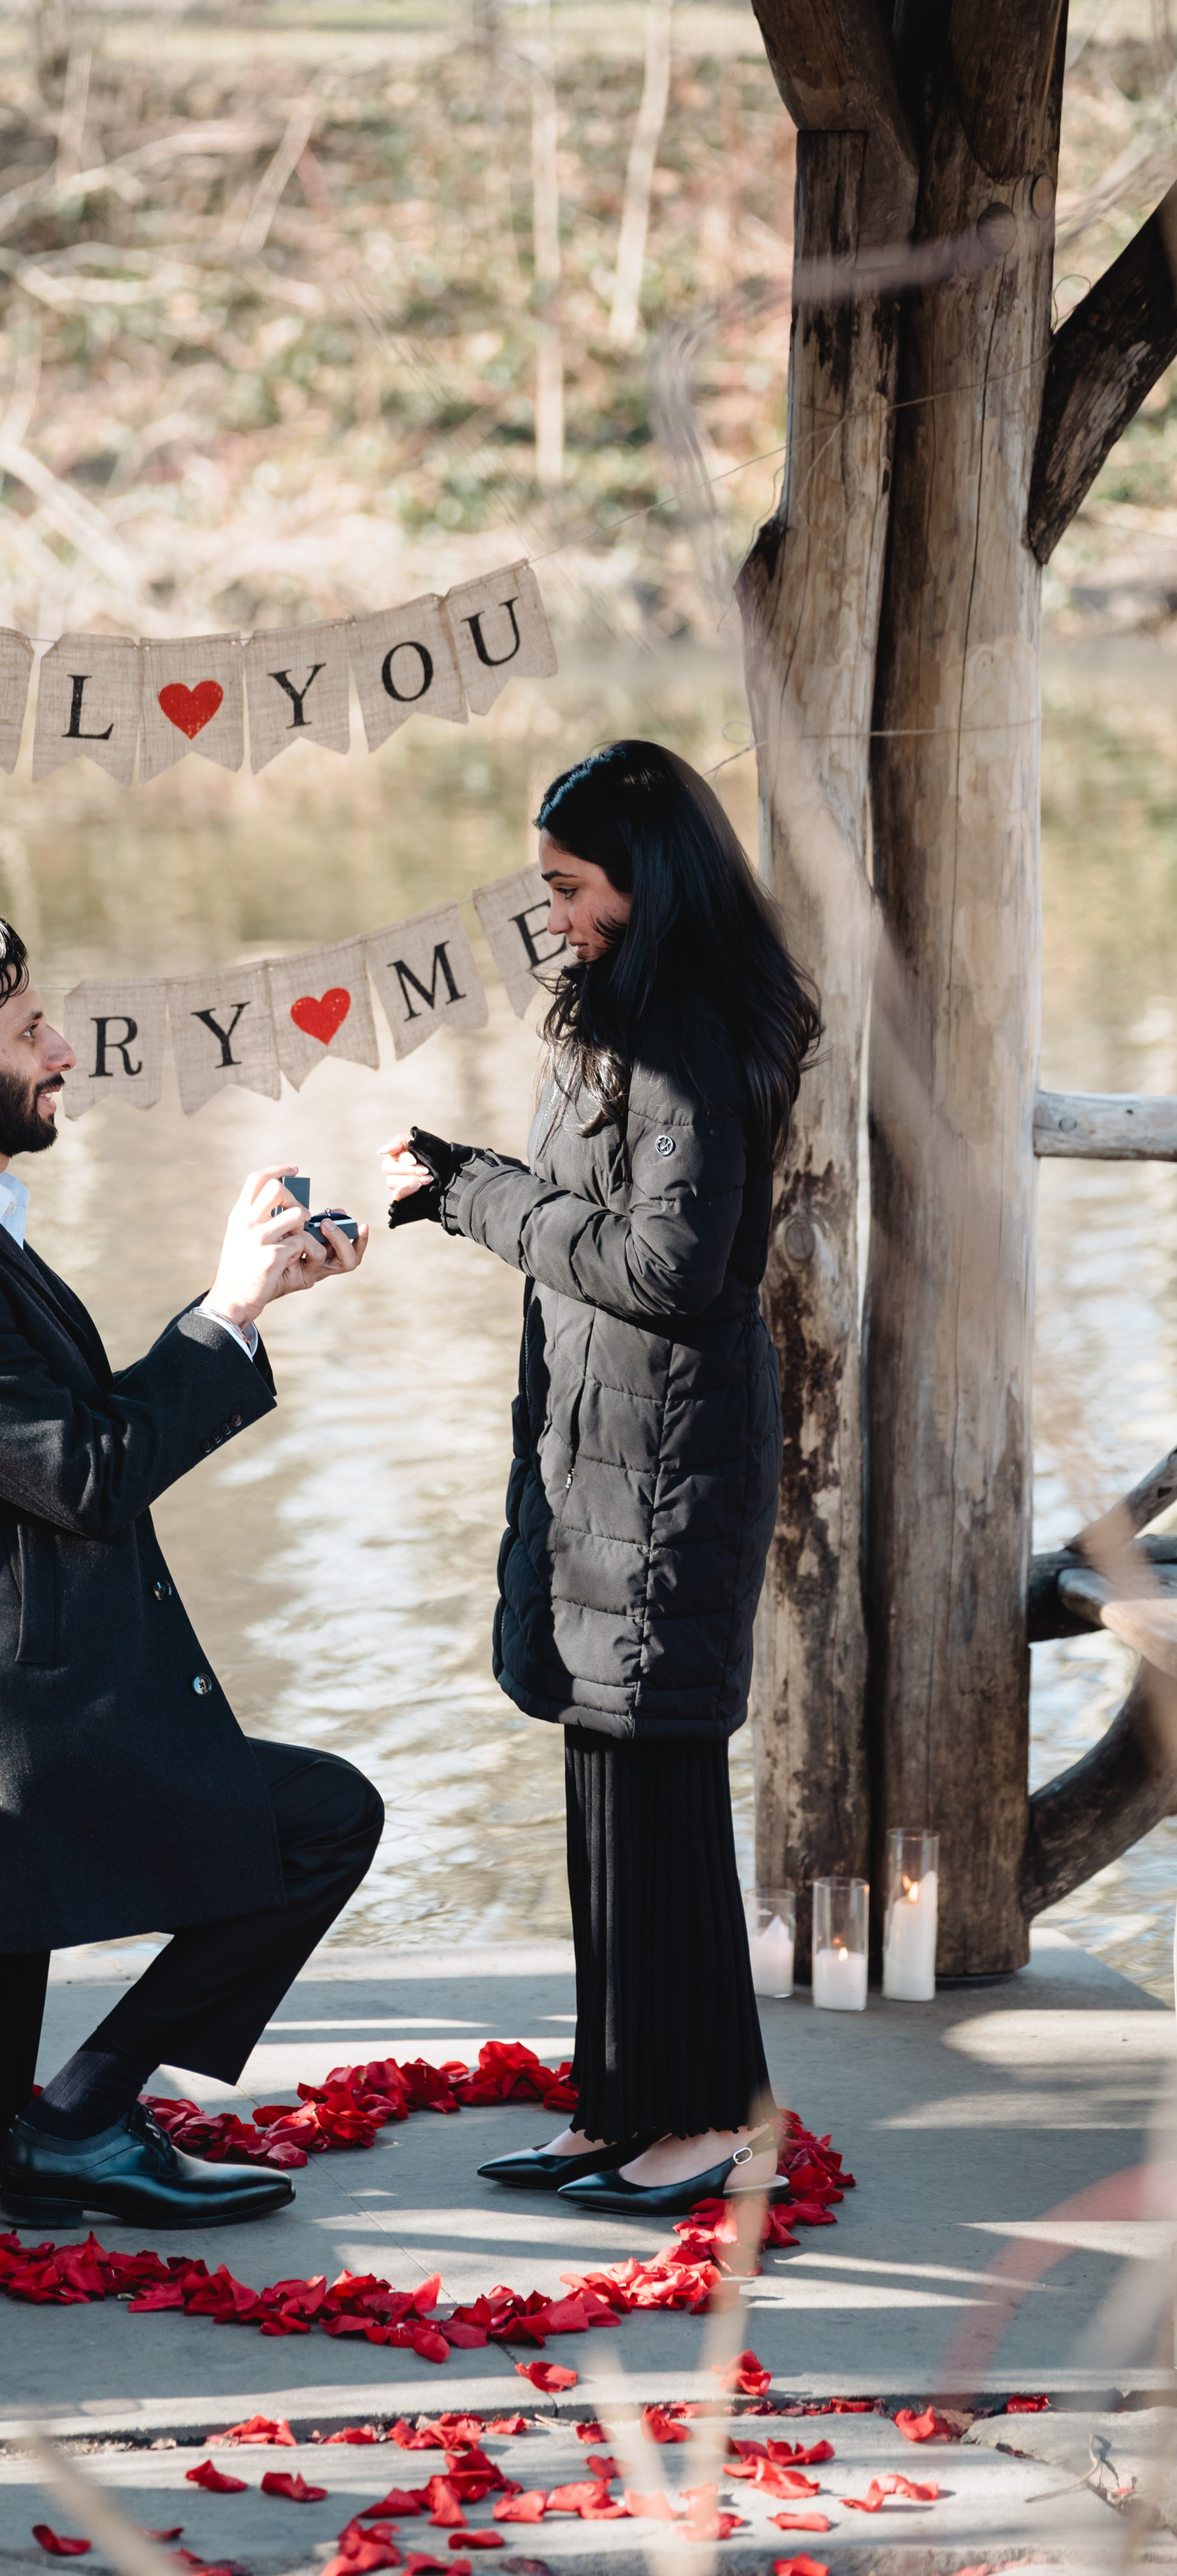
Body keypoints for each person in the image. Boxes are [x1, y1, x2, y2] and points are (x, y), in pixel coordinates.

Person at [0, 909, 381, 2229]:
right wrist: (221, 1312)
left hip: (13, 1734)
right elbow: (87, 1475)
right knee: (326, 1819)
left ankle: (71, 2115)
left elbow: (65, 1444)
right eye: (30, 1029)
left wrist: (247, 1305)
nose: (62, 1051)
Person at [381, 742, 819, 2215]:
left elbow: (665, 1262)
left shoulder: (685, 1026)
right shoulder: (624, 1010)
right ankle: (619, 2102)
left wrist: (469, 1192)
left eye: (568, 885)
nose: (549, 908)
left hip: (665, 1456)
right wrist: (470, 1177)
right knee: (600, 1770)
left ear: (648, 880)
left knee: (658, 1787)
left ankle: (703, 2122)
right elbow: (602, 1212)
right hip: (602, 1441)